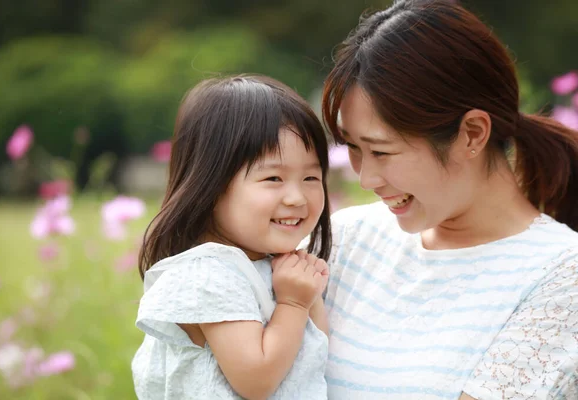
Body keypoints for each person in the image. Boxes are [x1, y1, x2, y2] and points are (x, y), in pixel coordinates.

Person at [320, 0, 578, 399]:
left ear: (472, 133)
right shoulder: (345, 240)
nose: (366, 177)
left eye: (382, 151)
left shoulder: (562, 277)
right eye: (353, 147)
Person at [132, 75, 332, 400]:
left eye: (311, 176)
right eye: (273, 177)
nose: (297, 197)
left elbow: (312, 361)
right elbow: (257, 381)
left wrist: (308, 295)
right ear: (211, 185)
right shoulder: (209, 275)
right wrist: (294, 302)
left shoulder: (272, 265)